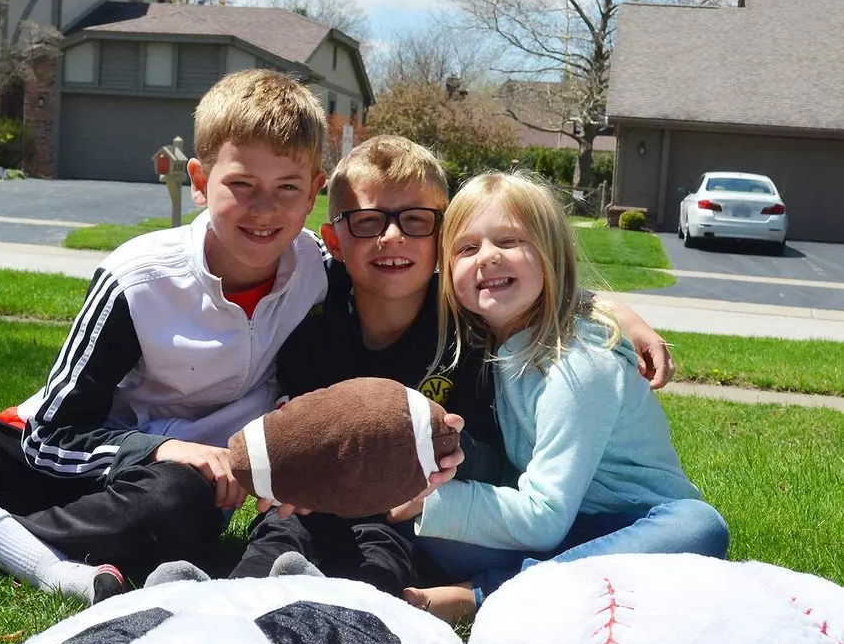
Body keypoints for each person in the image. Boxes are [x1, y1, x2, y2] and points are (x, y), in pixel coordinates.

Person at [0, 69, 335, 603]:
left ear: (314, 192)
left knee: (177, 502)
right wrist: (159, 449)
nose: (264, 209)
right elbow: (50, 436)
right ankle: (18, 545)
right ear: (198, 181)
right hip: (46, 462)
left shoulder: (319, 274)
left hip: (165, 493)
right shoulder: (139, 278)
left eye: (288, 187)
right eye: (241, 185)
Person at [232, 137, 680, 595]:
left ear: (437, 241)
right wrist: (289, 469)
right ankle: (225, 604)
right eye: (367, 222)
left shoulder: (471, 332)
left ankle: (403, 604)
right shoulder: (313, 314)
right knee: (288, 534)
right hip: (326, 502)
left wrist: (446, 452)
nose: (393, 236)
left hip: (421, 508)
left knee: (389, 551)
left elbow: (495, 457)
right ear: (336, 242)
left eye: (415, 220)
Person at [400, 171, 729, 623]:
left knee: (700, 529)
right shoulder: (489, 341)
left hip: (638, 526)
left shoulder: (580, 365)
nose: (488, 257)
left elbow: (543, 517)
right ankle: (564, 579)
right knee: (435, 534)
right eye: (467, 248)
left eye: (509, 241)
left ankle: (486, 593)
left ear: (551, 254)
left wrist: (431, 502)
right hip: (568, 530)